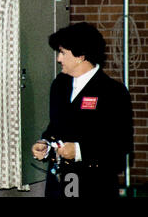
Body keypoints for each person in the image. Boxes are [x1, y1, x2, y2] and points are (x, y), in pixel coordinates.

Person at [32, 22, 133, 198]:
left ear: (80, 55)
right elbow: (55, 127)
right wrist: (45, 144)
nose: (59, 59)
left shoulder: (112, 91)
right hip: (58, 183)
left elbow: (120, 145)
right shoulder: (59, 85)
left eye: (63, 53)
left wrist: (80, 151)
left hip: (94, 184)